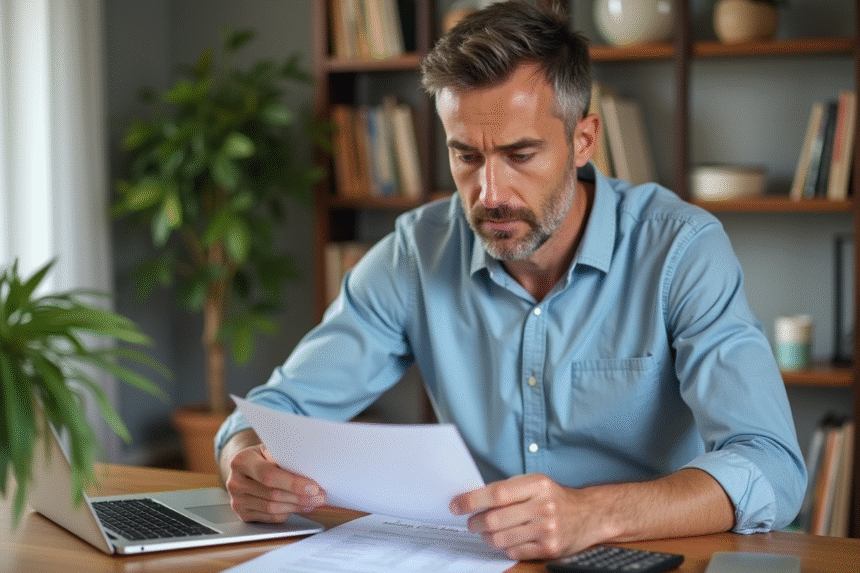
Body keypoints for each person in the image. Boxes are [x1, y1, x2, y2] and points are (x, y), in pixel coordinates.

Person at [215, 1, 806, 561]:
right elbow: (271, 413)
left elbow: (772, 467)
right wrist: (247, 461)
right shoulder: (415, 253)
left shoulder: (681, 250)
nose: (490, 194)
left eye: (520, 154)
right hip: (477, 559)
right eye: (467, 157)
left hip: (646, 557)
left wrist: (590, 514)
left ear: (583, 141)